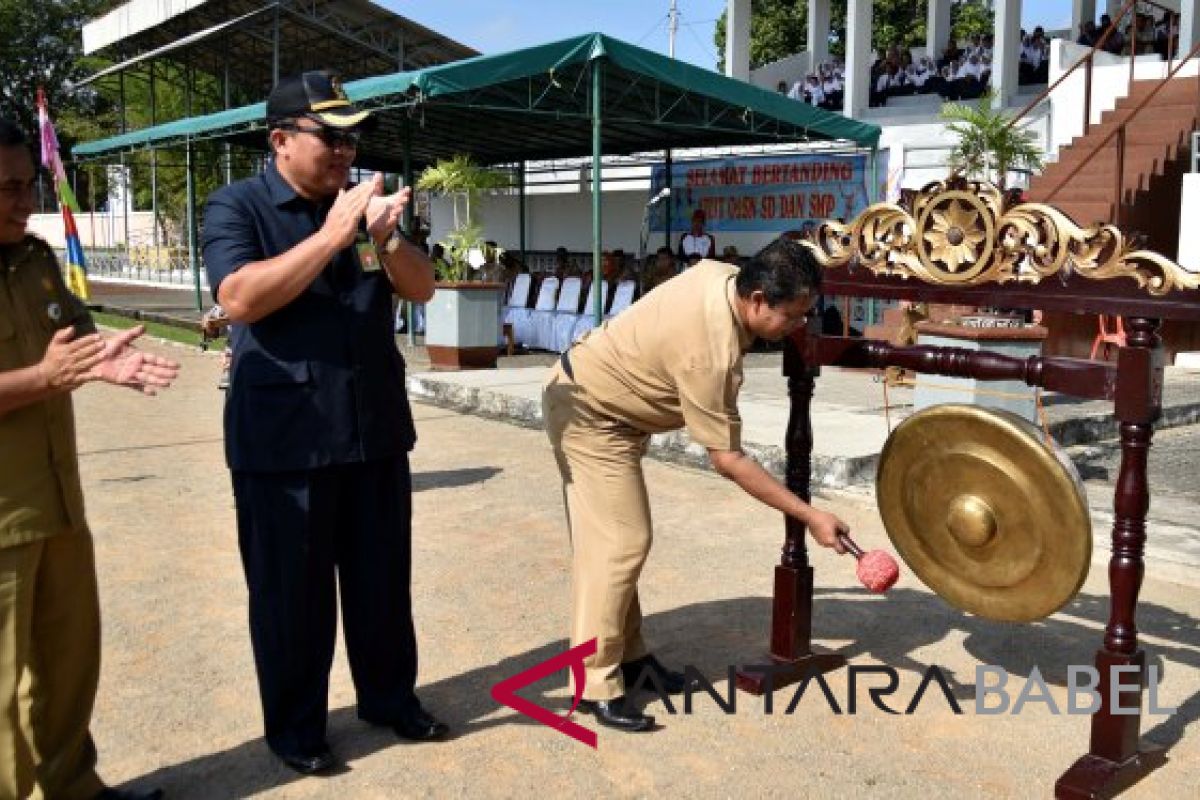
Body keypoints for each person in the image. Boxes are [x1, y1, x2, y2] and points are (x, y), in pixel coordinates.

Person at [200, 71, 444, 776]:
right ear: (280, 140)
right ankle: (298, 728)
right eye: (329, 136)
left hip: (371, 431)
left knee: (381, 585)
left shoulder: (361, 206)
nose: (345, 151)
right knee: (290, 598)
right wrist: (332, 236)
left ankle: (390, 698)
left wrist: (385, 239)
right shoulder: (237, 206)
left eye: (352, 137)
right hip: (285, 441)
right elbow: (240, 296)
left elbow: (422, 286)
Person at [541, 238, 851, 733]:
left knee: (615, 541)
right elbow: (728, 459)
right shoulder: (710, 354)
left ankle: (633, 657)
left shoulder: (721, 275)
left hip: (606, 403)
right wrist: (812, 516)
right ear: (756, 300)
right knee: (620, 543)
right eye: (793, 316)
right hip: (591, 414)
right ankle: (593, 680)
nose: (798, 326)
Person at [0, 117, 177, 800]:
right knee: (6, 691)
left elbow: (73, 330)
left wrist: (109, 355)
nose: (22, 201)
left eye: (27, 184)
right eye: (7, 188)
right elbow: (48, 370)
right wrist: (44, 380)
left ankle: (75, 790)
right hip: (3, 517)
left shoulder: (36, 258)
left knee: (71, 662)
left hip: (57, 499)